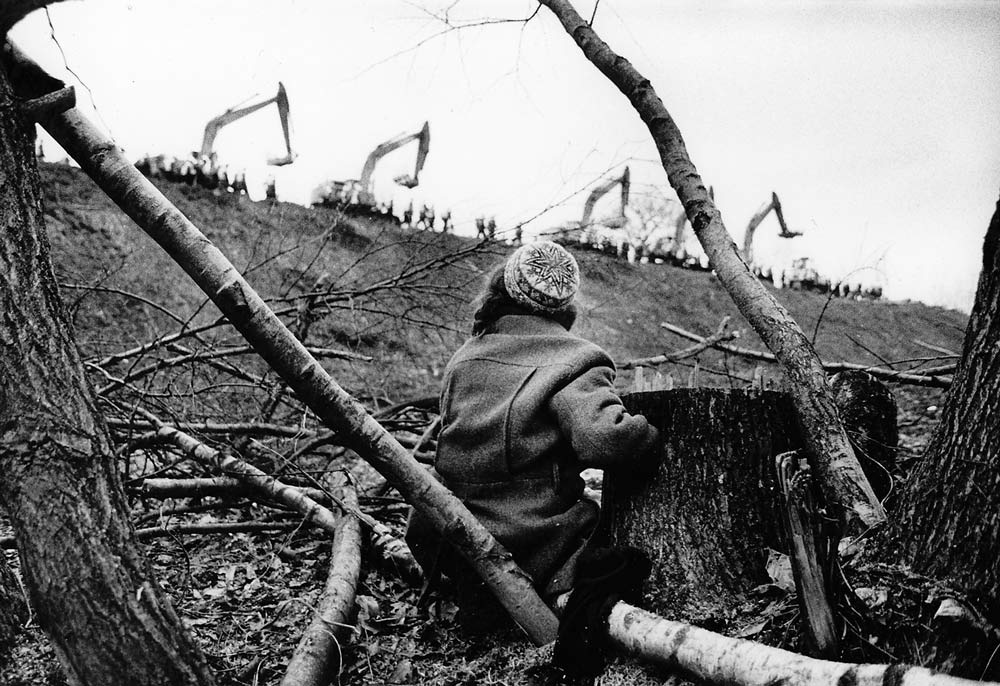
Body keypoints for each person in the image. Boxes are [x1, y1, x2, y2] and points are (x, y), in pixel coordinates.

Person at [407, 240, 660, 634]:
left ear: (502, 289)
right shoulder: (576, 358)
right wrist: (656, 431)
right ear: (564, 305)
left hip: (450, 542)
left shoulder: (465, 357)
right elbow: (606, 440)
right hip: (535, 547)